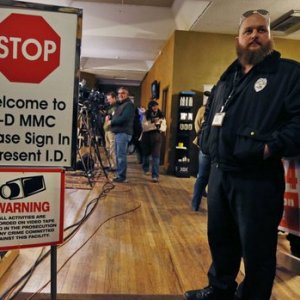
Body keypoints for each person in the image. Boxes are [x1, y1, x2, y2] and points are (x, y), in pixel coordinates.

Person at [184, 9, 300, 300]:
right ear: (238, 38)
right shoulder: (229, 77)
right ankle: (220, 288)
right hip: (221, 173)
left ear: (270, 36)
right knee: (221, 239)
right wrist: (208, 145)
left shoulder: (287, 73)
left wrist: (268, 147)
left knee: (257, 248)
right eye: (248, 31)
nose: (255, 35)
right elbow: (211, 115)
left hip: (258, 177)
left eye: (261, 30)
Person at [107, 87, 135, 183]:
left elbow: (124, 118)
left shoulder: (129, 105)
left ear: (127, 94)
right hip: (119, 133)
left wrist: (111, 122)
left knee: (121, 156)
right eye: (119, 93)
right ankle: (119, 174)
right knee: (119, 155)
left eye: (122, 93)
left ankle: (122, 176)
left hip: (123, 133)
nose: (120, 95)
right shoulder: (122, 105)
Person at [191, 99, 211, 211]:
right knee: (208, 177)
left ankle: (195, 204)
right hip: (212, 146)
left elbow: (197, 125)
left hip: (204, 145)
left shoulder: (203, 110)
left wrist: (201, 137)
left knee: (202, 176)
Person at [141, 100, 167, 182]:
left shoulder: (161, 115)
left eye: (156, 106)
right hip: (147, 136)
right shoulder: (146, 115)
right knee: (146, 154)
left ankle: (155, 175)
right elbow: (144, 127)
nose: (155, 107)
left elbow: (164, 127)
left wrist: (158, 127)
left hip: (157, 137)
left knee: (156, 156)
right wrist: (155, 125)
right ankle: (145, 168)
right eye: (153, 106)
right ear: (150, 107)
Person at [103, 91, 117, 171]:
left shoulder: (117, 107)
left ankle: (114, 166)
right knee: (108, 148)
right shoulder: (109, 107)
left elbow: (115, 118)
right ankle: (110, 164)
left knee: (112, 149)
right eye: (107, 99)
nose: (108, 100)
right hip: (107, 130)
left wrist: (110, 118)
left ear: (114, 98)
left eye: (109, 99)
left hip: (112, 130)